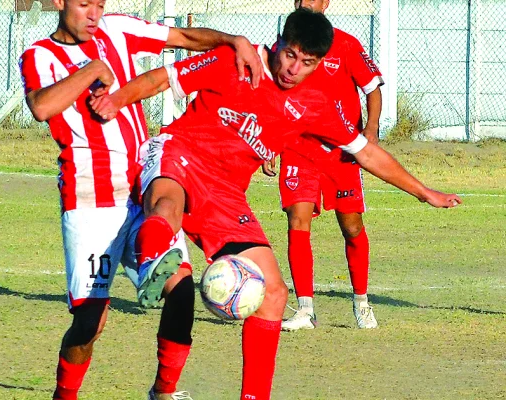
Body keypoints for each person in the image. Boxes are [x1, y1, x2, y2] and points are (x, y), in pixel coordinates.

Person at [90, 8, 461, 399]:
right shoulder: (234, 60)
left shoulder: (315, 103)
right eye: (289, 54)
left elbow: (367, 154)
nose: (293, 69)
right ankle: (146, 251)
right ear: (279, 41)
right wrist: (116, 100)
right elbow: (160, 79)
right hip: (180, 154)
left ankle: (229, 394)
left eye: (307, 62)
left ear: (319, 63)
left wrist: (424, 192)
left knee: (274, 294)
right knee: (166, 209)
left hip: (227, 192)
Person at [18, 0, 263, 398]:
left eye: (99, 4)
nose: (94, 14)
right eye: (84, 5)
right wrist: (93, 71)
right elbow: (42, 106)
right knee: (90, 323)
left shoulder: (116, 29)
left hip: (142, 190)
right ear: (60, 3)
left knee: (181, 289)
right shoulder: (39, 55)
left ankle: (163, 392)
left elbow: (182, 38)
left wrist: (232, 40)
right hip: (90, 200)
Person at [268, 0, 385, 331]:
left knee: (351, 228)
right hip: (297, 149)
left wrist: (371, 129)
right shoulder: (283, 46)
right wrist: (269, 143)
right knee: (298, 220)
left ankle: (361, 301)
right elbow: (273, 97)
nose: (306, 2)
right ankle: (305, 309)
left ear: (326, 2)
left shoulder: (345, 43)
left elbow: (373, 88)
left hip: (341, 152)